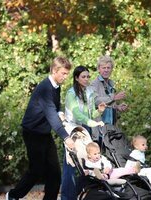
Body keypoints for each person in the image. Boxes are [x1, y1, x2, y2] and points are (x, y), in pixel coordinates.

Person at [6, 56, 75, 200]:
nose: (65, 77)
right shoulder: (45, 88)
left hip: (44, 133)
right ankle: (12, 196)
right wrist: (66, 137)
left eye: (67, 74)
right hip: (32, 133)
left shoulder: (56, 86)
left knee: (55, 173)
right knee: (36, 170)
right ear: (55, 70)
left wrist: (60, 113)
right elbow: (51, 116)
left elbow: (54, 108)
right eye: (63, 73)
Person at [61, 65, 106, 200]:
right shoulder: (71, 94)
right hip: (72, 131)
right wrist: (93, 123)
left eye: (88, 76)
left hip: (84, 131)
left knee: (86, 164)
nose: (86, 79)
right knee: (71, 165)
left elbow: (90, 113)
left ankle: (78, 194)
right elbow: (77, 114)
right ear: (76, 78)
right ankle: (66, 197)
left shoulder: (89, 92)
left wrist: (100, 111)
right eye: (83, 77)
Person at [90, 55, 128, 126]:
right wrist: (113, 97)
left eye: (108, 68)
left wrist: (117, 107)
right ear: (98, 69)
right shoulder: (94, 84)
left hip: (111, 126)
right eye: (104, 68)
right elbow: (94, 101)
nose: (106, 70)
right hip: (99, 126)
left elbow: (108, 105)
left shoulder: (111, 84)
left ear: (112, 69)